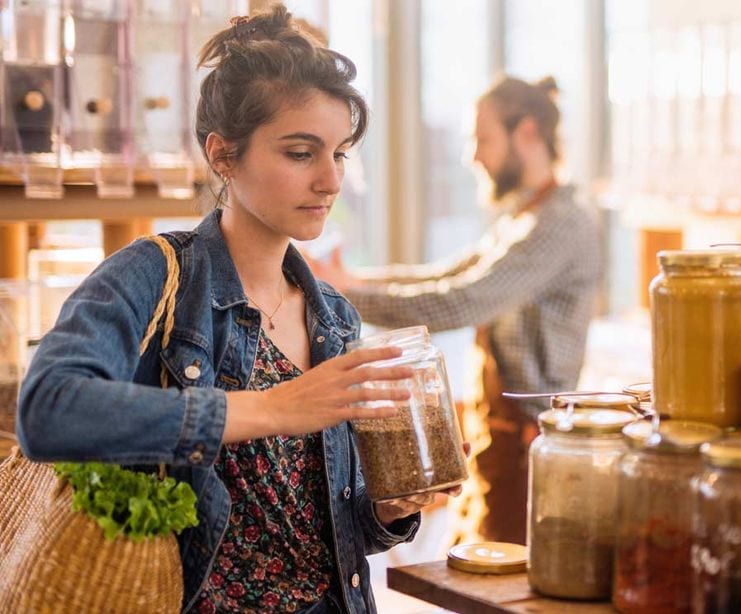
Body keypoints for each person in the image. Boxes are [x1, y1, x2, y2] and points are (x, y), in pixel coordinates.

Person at [16, 6, 458, 613]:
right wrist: (270, 408)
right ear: (223, 155)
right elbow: (46, 411)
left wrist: (388, 511)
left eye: (340, 154)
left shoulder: (333, 316)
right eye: (302, 153)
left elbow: (332, 530)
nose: (330, 180)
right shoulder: (154, 274)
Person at [310, 76, 603, 545]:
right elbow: (445, 274)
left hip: (530, 445)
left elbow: (460, 299)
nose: (473, 155)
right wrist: (352, 282)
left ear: (526, 133)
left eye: (482, 138)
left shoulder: (560, 223)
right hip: (501, 438)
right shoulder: (524, 217)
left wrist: (340, 292)